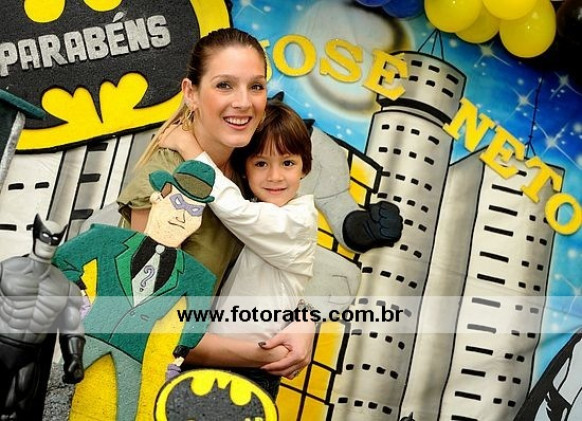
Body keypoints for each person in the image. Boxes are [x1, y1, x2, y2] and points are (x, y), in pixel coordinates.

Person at [117, 27, 315, 381]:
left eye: (256, 86)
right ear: (191, 93)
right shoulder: (163, 181)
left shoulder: (250, 171)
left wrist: (303, 319)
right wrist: (268, 353)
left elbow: (268, 264)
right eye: (225, 85)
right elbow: (142, 323)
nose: (243, 102)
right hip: (147, 380)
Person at [164, 100, 317, 398]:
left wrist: (188, 146)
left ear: (305, 167)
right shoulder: (263, 210)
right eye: (261, 163)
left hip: (250, 370)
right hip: (211, 359)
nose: (275, 176)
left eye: (288, 163)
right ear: (244, 169)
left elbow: (234, 208)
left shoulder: (298, 221)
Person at [53, 160, 224, 421]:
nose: (182, 216)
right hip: (90, 336)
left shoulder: (197, 276)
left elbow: (198, 315)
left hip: (133, 352)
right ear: (158, 197)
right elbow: (64, 257)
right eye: (178, 203)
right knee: (54, 391)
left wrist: (181, 351)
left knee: (129, 411)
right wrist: (80, 293)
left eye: (194, 210)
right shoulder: (107, 239)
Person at [0, 215, 85, 420]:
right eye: (46, 236)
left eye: (55, 238)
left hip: (29, 356)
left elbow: (72, 326)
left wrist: (74, 357)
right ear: (36, 234)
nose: (49, 242)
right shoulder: (7, 269)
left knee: (15, 411)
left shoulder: (65, 287)